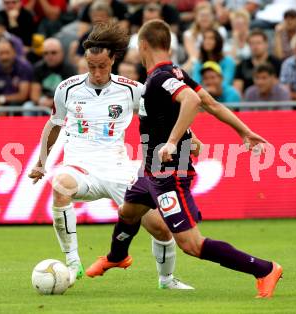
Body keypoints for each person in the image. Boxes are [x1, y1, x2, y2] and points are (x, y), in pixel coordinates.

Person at [87, 19, 283, 299]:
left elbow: (191, 101)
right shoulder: (176, 73)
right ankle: (117, 257)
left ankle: (265, 269)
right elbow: (209, 104)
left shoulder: (159, 78)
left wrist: (173, 141)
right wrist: (245, 131)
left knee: (191, 244)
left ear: (143, 46)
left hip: (169, 174)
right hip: (150, 171)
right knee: (128, 212)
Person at [27, 21, 194, 290]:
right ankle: (72, 263)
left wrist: (188, 137)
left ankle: (167, 280)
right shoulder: (67, 89)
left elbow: (165, 115)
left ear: (113, 60)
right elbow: (54, 124)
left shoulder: (132, 89)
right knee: (60, 185)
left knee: (161, 229)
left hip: (119, 169)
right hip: (80, 165)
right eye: (91, 66)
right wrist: (41, 163)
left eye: (102, 66)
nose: (96, 72)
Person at [0, 38, 33, 109]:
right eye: (1, 53)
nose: (4, 57)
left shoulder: (24, 67)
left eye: (7, 53)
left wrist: (1, 99)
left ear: (14, 52)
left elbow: (23, 95)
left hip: (17, 106)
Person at [29, 38, 76, 109]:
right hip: (43, 104)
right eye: (45, 53)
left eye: (53, 52)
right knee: (28, 106)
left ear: (62, 53)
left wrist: (53, 102)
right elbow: (34, 95)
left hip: (63, 104)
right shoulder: (38, 68)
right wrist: (41, 101)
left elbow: (72, 94)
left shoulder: (69, 69)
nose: (49, 56)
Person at [234, 29, 281, 94]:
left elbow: (279, 87)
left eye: (258, 43)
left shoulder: (276, 63)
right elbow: (237, 89)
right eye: (252, 43)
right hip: (247, 101)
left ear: (266, 44)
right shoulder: (242, 65)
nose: (255, 46)